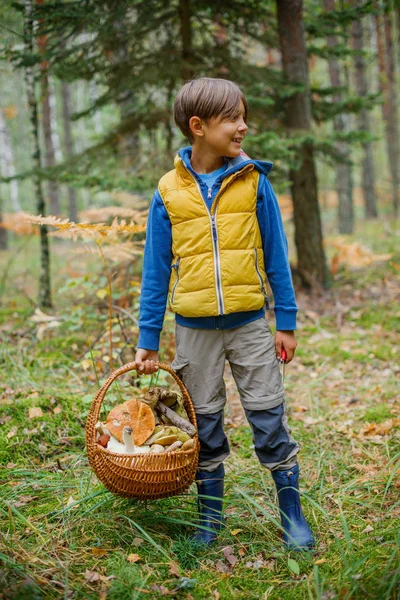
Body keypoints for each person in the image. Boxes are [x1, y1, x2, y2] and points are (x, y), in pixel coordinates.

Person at [134, 77, 315, 551]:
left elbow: (277, 256)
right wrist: (147, 338)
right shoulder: (168, 192)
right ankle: (209, 520)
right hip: (193, 331)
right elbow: (155, 270)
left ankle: (291, 515)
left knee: (268, 418)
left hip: (250, 324)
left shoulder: (254, 182)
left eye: (243, 116)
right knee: (205, 425)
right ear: (198, 127)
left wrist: (287, 322)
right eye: (232, 118)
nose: (243, 126)